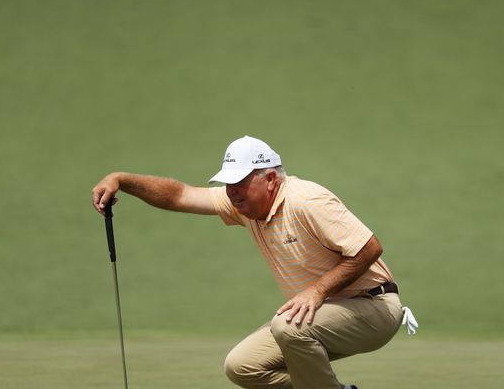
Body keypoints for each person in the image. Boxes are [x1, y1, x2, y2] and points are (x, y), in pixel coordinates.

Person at [91, 136, 416, 389]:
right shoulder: (244, 205)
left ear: (271, 179)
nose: (231, 191)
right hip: (323, 316)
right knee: (243, 366)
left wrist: (316, 291)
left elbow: (370, 248)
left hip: (374, 308)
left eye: (241, 182)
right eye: (228, 183)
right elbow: (179, 195)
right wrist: (122, 179)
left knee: (287, 326)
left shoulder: (306, 200)